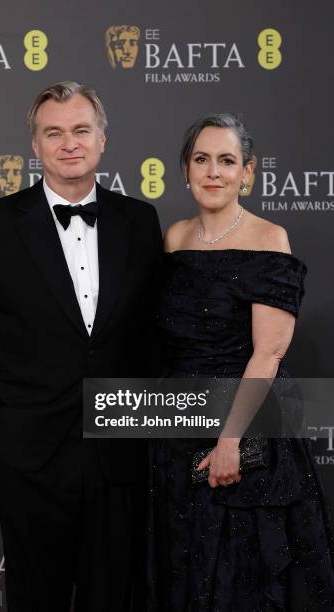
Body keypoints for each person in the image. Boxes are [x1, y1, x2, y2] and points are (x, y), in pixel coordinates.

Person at [0, 81, 162, 612]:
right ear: (34, 146)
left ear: (103, 139)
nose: (69, 143)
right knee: (36, 598)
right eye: (53, 132)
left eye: (81, 130)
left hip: (120, 445)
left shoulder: (140, 220)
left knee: (113, 597)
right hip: (28, 451)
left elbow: (156, 331)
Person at [148, 113, 334, 610]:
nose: (213, 172)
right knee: (183, 571)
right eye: (201, 160)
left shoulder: (269, 239)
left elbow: (268, 352)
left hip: (244, 427)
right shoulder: (174, 238)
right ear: (185, 170)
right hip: (176, 430)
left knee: (240, 575)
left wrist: (231, 441)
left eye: (226, 161)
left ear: (247, 172)